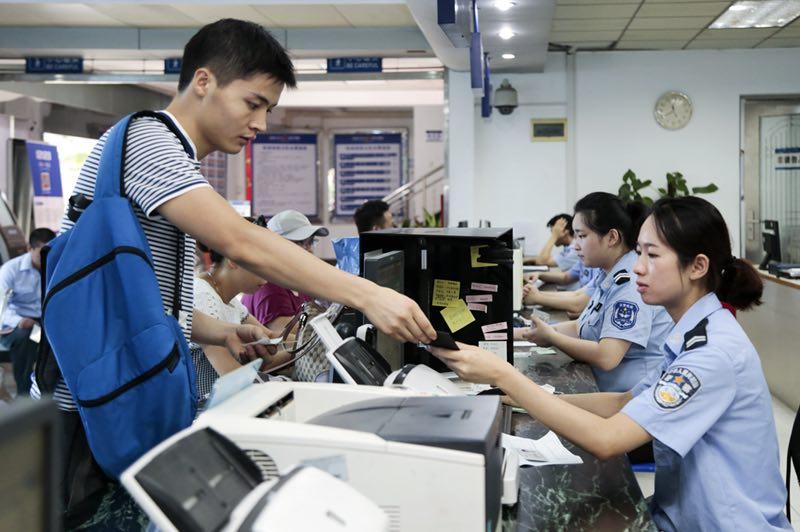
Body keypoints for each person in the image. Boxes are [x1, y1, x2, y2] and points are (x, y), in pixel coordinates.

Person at [34, 18, 435, 530]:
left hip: (126, 388)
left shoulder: (170, 155)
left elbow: (142, 302)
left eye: (268, 109)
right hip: (95, 409)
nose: (262, 123)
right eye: (253, 103)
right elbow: (242, 241)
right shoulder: (148, 142)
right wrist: (370, 294)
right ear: (204, 82)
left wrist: (220, 330)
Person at [431, 196, 791, 531]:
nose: (638, 269)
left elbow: (607, 439)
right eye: (638, 253)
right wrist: (521, 395)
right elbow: (622, 402)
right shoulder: (693, 332)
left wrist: (503, 373)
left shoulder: (712, 353)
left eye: (652, 255)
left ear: (697, 266)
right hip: (681, 515)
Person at [519, 193, 672, 392]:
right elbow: (582, 325)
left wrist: (552, 337)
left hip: (630, 398)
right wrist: (521, 333)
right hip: (604, 388)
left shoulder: (630, 282)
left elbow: (608, 357)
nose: (575, 245)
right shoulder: (609, 272)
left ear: (611, 237)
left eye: (582, 236)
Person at [192, 219, 293, 406]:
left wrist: (308, 337)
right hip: (206, 409)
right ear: (233, 259)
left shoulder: (231, 301)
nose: (267, 275)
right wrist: (297, 349)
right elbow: (232, 375)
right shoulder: (203, 296)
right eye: (260, 265)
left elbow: (271, 338)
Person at [243, 210, 328, 332]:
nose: (309, 250)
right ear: (275, 245)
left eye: (311, 242)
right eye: (301, 242)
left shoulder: (297, 283)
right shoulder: (269, 286)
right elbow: (287, 337)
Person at [0, 228, 55, 399]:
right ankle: (25, 394)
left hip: (44, 319)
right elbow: (1, 306)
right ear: (29, 249)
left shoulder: (56, 267)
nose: (46, 259)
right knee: (28, 337)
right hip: (17, 324)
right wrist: (19, 320)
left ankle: (53, 391)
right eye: (41, 254)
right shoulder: (11, 270)